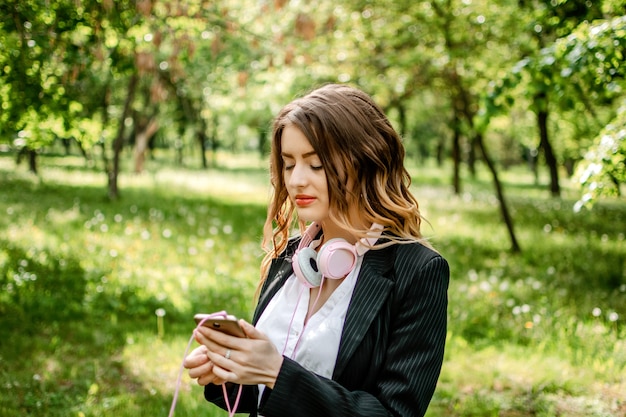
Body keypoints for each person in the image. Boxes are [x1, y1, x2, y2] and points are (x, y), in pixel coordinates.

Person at [183, 83, 449, 417]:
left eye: (316, 164)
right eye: (289, 163)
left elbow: (394, 413)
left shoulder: (417, 270)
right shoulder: (292, 255)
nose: (296, 180)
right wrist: (230, 376)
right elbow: (265, 397)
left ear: (365, 160)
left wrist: (277, 373)